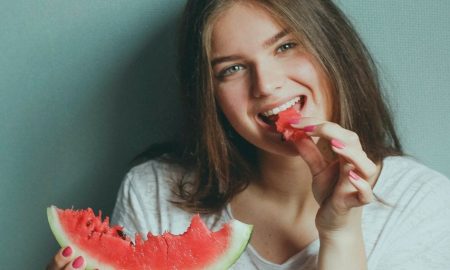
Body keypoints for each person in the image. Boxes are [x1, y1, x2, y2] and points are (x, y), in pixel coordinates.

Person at [47, 0, 450, 269]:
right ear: (210, 95)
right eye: (232, 69)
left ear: (333, 50)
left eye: (286, 46)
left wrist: (340, 233)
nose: (266, 85)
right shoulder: (155, 192)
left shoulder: (425, 207)